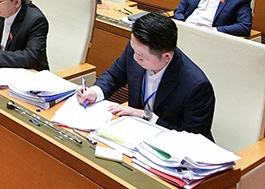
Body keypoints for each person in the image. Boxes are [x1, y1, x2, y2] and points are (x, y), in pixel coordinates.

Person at [76, 13, 215, 138]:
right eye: (133, 50)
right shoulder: (137, 48)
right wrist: (95, 92)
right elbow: (114, 76)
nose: (135, 57)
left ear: (166, 56)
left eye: (141, 56)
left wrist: (147, 117)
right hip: (136, 134)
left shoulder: (196, 86)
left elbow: (193, 138)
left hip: (169, 146)